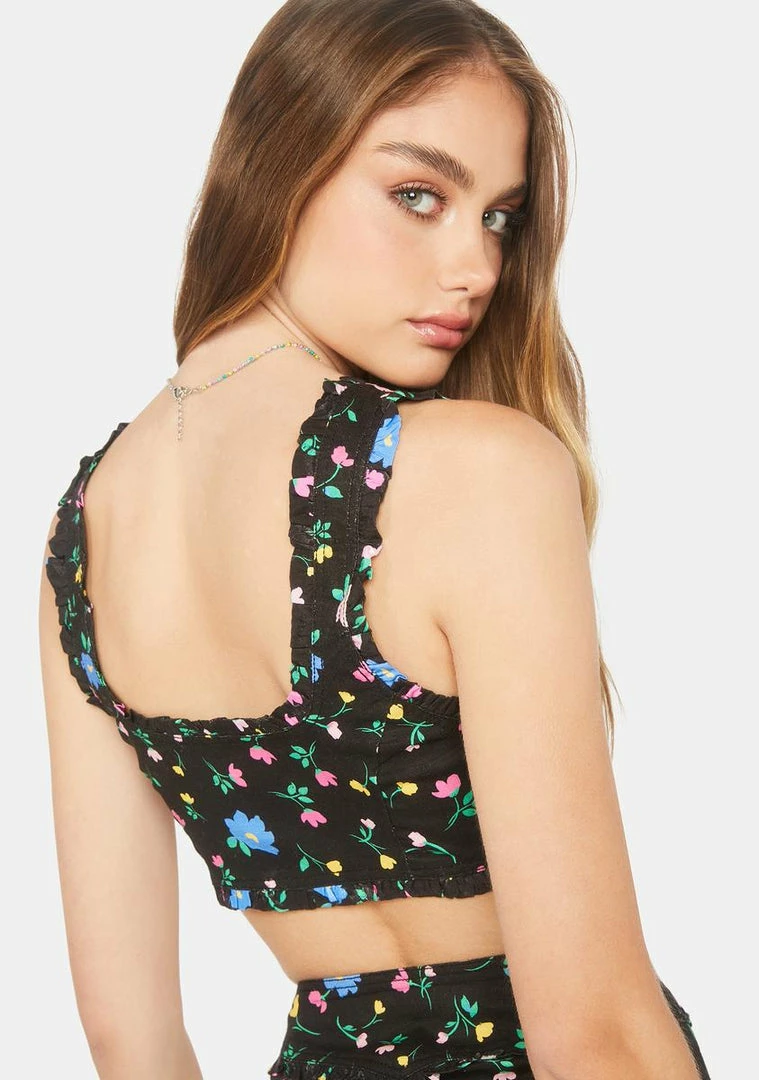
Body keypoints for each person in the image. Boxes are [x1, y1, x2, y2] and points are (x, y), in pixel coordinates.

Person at [38, 1, 712, 1078]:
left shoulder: (85, 532)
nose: (477, 267)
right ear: (281, 162)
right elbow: (595, 1037)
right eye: (418, 196)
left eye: (499, 217)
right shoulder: (477, 471)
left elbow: (132, 1040)